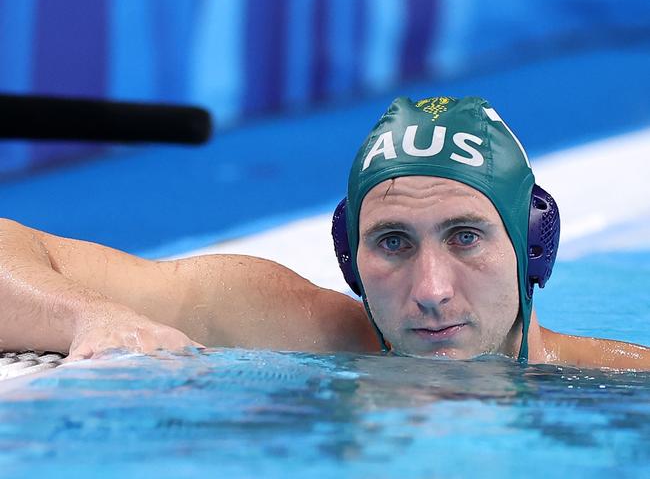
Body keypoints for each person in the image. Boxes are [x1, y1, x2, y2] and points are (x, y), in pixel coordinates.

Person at [0, 96, 648, 370]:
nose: (430, 291)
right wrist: (88, 316)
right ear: (350, 254)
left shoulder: (615, 387)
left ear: (533, 242)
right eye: (393, 242)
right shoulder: (290, 326)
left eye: (465, 236)